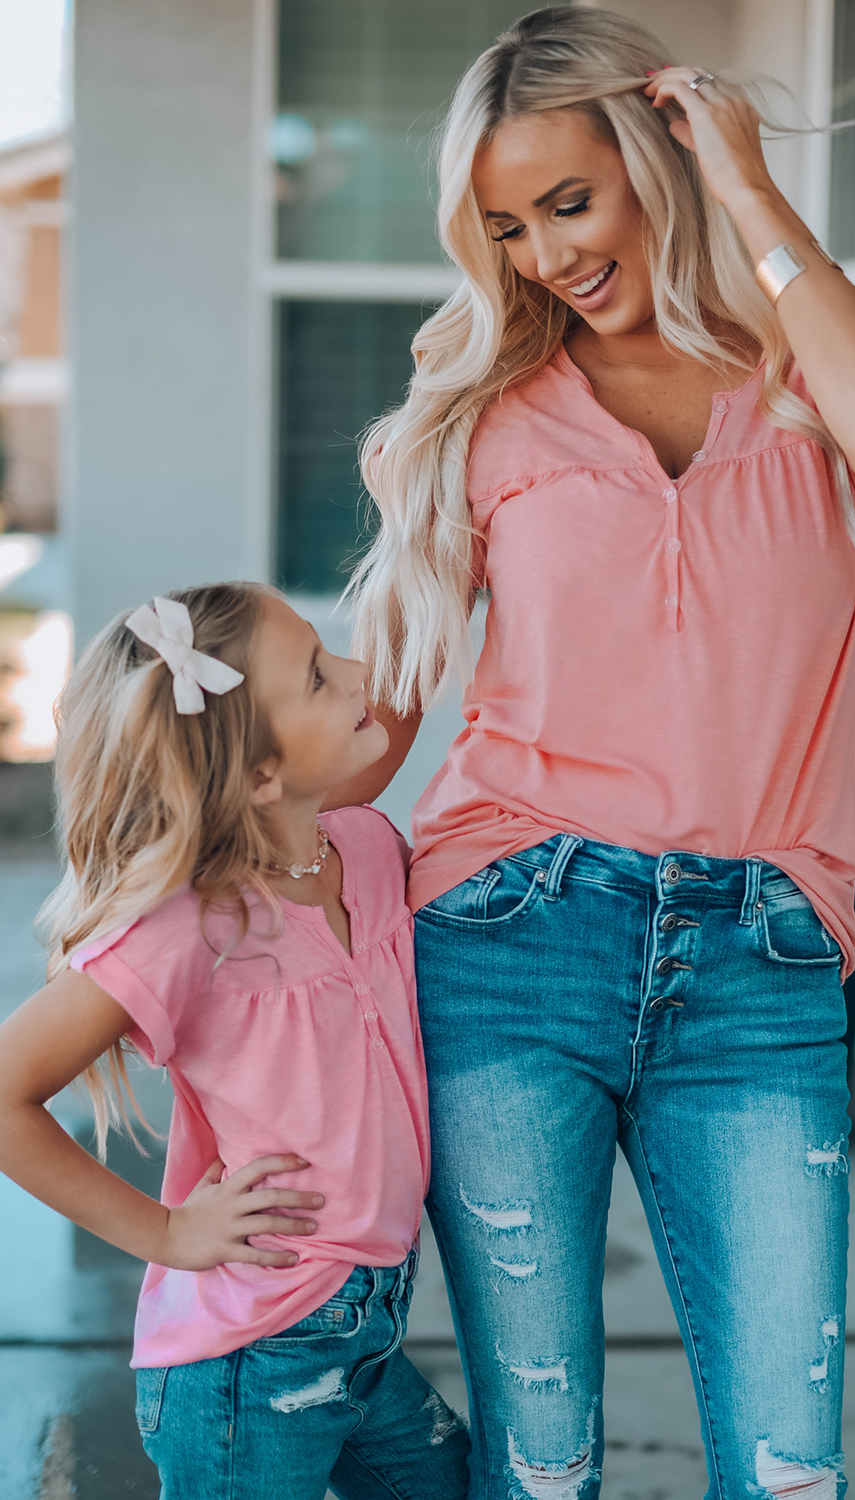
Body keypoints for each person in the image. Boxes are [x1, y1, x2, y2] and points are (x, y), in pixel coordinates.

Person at [338, 9, 855, 1498]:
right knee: (541, 1466)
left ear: (654, 162)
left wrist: (748, 193)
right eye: (507, 226)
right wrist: (189, 828)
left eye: (571, 201)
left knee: (789, 1466)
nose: (547, 254)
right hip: (507, 935)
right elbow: (388, 711)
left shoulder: (833, 353)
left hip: (761, 960)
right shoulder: (484, 407)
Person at [0, 583, 470, 1500]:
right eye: (320, 676)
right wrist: (168, 1232)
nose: (357, 674)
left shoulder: (363, 850)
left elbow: (389, 719)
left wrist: (442, 568)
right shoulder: (190, 927)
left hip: (363, 1329)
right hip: (249, 1362)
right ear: (258, 776)